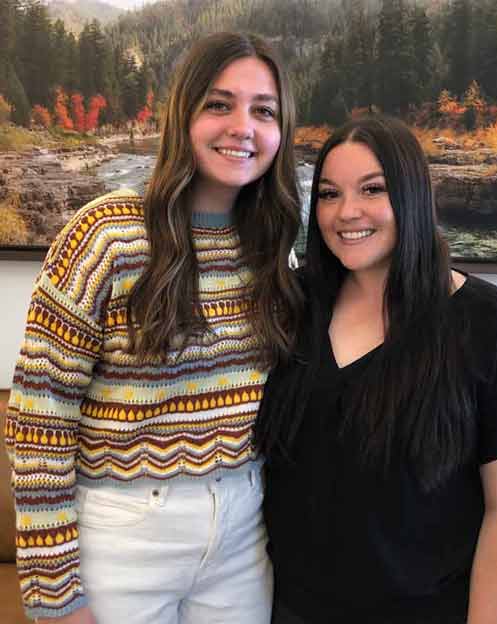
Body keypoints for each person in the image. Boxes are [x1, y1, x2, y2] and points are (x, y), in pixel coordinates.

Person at [4, 32, 304, 624]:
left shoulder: (275, 248)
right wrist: (54, 591)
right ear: (183, 114)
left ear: (282, 129)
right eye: (218, 104)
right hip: (123, 536)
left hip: (244, 530)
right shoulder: (106, 233)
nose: (242, 126)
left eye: (263, 110)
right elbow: (40, 417)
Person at [256, 114, 497, 624]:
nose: (346, 212)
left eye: (371, 189)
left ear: (412, 196)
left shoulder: (493, 326)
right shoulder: (294, 306)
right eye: (330, 194)